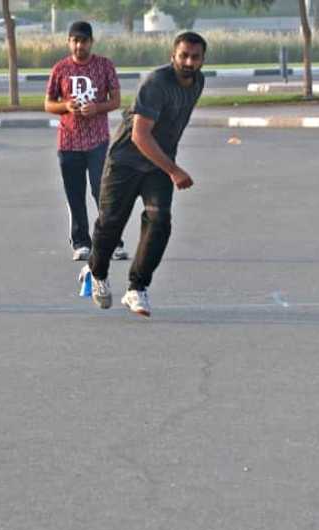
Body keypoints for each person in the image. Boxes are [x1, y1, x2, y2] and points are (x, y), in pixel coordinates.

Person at [84, 31, 207, 318]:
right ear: (172, 56)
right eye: (184, 55)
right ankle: (97, 273)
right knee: (111, 224)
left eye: (195, 57)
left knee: (159, 220)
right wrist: (174, 170)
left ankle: (136, 288)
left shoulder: (198, 82)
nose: (189, 61)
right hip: (125, 161)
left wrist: (167, 165)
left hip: (158, 164)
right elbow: (140, 135)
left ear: (203, 60)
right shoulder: (155, 83)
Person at [44, 20, 126, 263]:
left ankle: (113, 241)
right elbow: (48, 104)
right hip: (68, 142)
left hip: (97, 141)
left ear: (91, 42)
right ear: (69, 42)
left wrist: (97, 108)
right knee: (74, 194)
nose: (79, 45)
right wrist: (65, 106)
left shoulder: (104, 66)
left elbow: (116, 100)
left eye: (84, 41)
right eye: (75, 40)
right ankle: (81, 242)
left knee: (102, 192)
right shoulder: (60, 69)